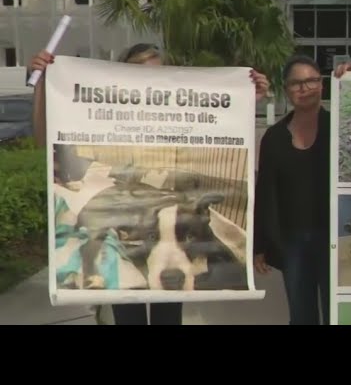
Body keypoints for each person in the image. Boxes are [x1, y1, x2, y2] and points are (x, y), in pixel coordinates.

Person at [30, 43, 270, 325]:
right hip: (123, 228)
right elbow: (45, 141)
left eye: (155, 77)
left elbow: (222, 124)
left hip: (163, 226)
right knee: (127, 316)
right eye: (140, 76)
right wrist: (41, 85)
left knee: (168, 317)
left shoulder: (179, 114)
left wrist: (246, 98)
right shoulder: (97, 113)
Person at [253, 55, 351, 325]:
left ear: (322, 84)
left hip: (336, 238)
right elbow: (266, 191)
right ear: (286, 90)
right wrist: (260, 244)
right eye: (296, 83)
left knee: (336, 312)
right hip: (293, 241)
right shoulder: (274, 137)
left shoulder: (340, 128)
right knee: (301, 315)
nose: (304, 88)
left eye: (311, 81)